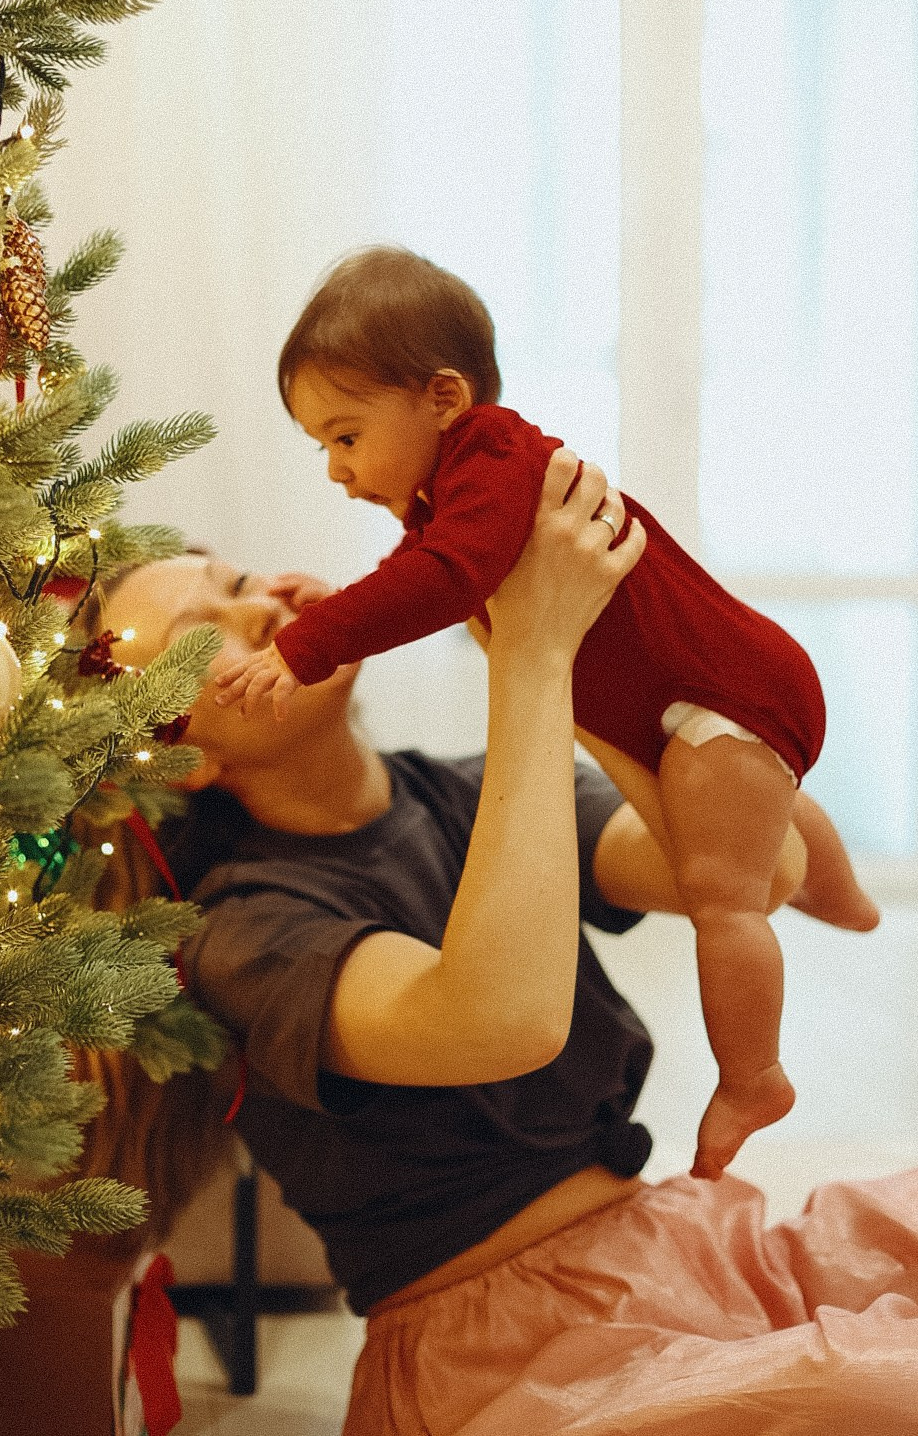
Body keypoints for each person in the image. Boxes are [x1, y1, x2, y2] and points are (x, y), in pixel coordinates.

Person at [92, 449, 917, 1436]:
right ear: (182, 759)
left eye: (240, 582)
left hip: (678, 1248)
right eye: (204, 638)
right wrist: (533, 657)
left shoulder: (471, 789)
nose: (265, 610)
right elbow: (504, 1020)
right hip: (499, 1356)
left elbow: (761, 868)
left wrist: (576, 653)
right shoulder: (241, 930)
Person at [214, 245, 878, 1181]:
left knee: (726, 901)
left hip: (723, 698)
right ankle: (842, 897)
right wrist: (343, 615)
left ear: (445, 398)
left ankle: (753, 1076)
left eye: (347, 436)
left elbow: (445, 579)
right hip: (721, 698)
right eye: (323, 446)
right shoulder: (464, 490)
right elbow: (436, 576)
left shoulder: (492, 456)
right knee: (757, 820)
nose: (336, 469)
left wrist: (310, 641)